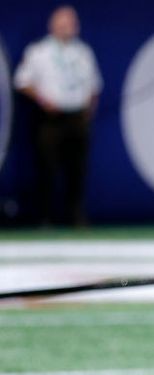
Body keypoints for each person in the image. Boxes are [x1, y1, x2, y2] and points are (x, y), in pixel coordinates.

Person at [14, 5, 101, 227]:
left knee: (77, 171)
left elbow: (94, 85)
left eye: (71, 23)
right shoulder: (39, 51)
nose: (68, 27)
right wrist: (43, 100)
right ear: (52, 26)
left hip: (77, 118)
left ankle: (76, 217)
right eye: (63, 23)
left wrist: (89, 108)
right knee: (46, 169)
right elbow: (22, 81)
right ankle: (44, 217)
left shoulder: (83, 52)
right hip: (51, 119)